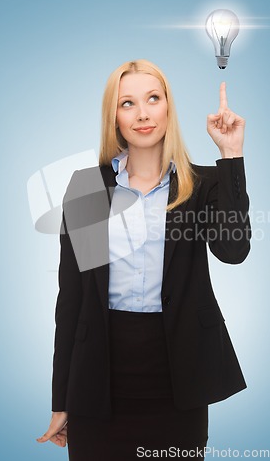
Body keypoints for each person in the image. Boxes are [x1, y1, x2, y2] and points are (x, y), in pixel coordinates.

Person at [36, 59, 251, 460]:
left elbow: (234, 250)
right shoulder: (87, 189)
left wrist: (231, 156)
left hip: (177, 376)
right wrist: (61, 398)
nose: (143, 113)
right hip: (98, 378)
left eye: (153, 98)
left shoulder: (201, 185)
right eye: (128, 103)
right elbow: (70, 302)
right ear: (114, 117)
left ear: (168, 107)